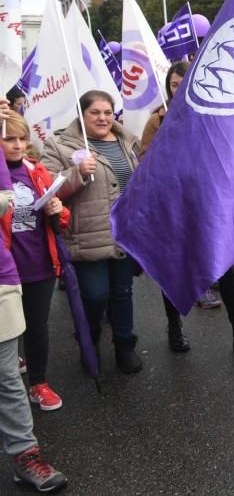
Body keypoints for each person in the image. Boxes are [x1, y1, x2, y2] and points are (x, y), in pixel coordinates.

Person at [139, 63, 234, 362]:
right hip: (173, 209)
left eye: (184, 83)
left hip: (210, 206)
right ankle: (175, 326)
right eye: (174, 84)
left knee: (224, 268)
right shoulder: (157, 121)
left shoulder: (213, 115)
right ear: (169, 88)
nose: (179, 88)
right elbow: (146, 163)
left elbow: (230, 155)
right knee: (172, 268)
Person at [41, 91, 143, 374]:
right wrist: (77, 173)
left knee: (122, 293)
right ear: (82, 115)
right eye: (95, 112)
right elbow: (47, 188)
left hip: (125, 234)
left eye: (107, 112)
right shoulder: (59, 145)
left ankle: (125, 345)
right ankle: (90, 340)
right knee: (96, 295)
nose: (102, 118)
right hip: (87, 235)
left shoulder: (126, 140)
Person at [1, 113, 70, 411]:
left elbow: (60, 220)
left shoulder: (36, 170)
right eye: (8, 139)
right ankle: (12, 362)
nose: (17, 145)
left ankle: (38, 383)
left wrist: (58, 209)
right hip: (6, 268)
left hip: (40, 263)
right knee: (9, 328)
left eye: (21, 138)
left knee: (37, 325)